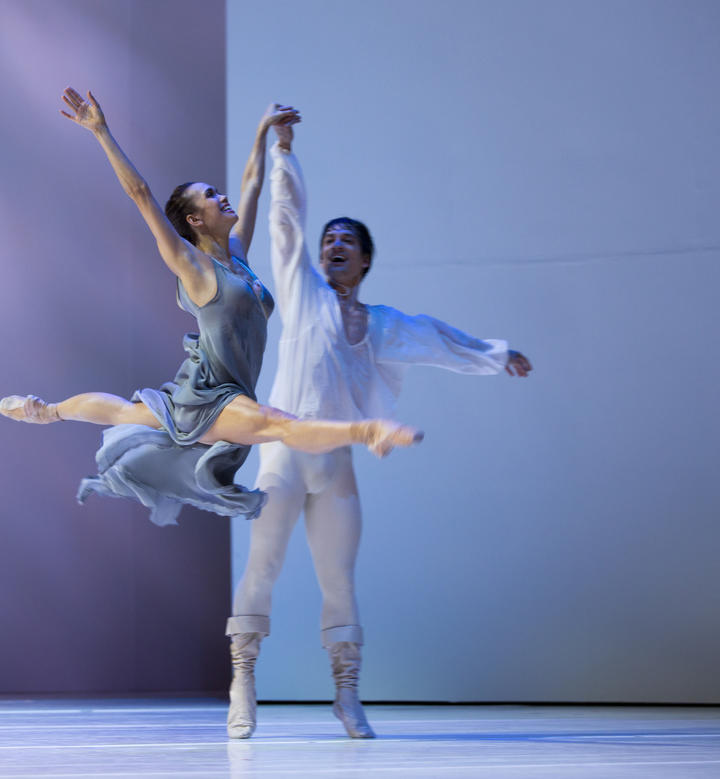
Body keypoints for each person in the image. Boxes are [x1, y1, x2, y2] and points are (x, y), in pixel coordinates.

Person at [225, 116, 532, 739]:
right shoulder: (302, 288)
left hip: (335, 463)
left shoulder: (383, 323)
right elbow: (284, 223)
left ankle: (346, 695)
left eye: (346, 241)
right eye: (329, 238)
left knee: (338, 577)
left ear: (364, 261)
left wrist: (497, 356)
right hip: (284, 454)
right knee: (262, 565)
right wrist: (283, 152)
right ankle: (243, 683)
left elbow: (440, 339)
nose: (332, 244)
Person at [0, 89, 423, 528]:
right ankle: (368, 431)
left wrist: (264, 133)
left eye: (219, 192)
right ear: (196, 220)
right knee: (278, 425)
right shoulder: (193, 266)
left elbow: (252, 186)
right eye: (211, 196)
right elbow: (141, 194)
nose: (223, 198)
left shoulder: (235, 255)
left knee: (128, 412)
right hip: (215, 396)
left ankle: (44, 411)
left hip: (210, 383)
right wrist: (101, 131)